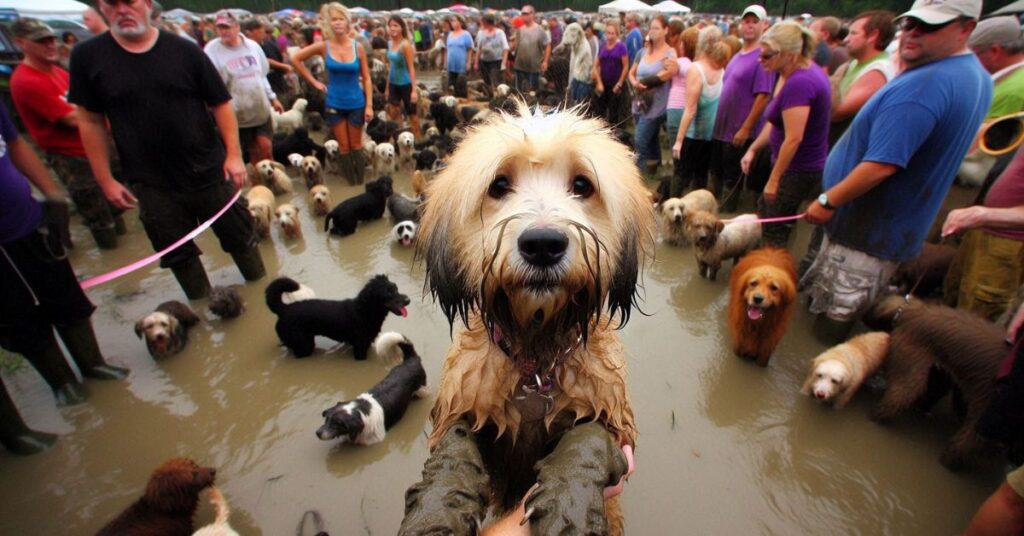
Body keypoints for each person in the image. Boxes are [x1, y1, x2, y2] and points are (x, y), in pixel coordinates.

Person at [801, 0, 992, 341]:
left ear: (966, 27)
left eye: (931, 27)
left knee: (836, 313)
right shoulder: (975, 74)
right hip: (893, 227)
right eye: (911, 24)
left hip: (866, 230)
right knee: (855, 303)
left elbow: (881, 166)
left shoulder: (924, 86)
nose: (913, 33)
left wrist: (829, 200)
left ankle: (815, 365)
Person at [69, 0, 266, 301]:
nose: (122, 9)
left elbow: (221, 103)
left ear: (147, 4)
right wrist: (105, 179)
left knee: (241, 236)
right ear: (101, 8)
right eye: (112, 3)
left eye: (130, 1)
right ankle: (201, 307)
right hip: (150, 181)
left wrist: (234, 155)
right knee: (176, 253)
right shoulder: (87, 56)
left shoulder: (184, 50)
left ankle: (261, 292)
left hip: (210, 170)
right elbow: (90, 120)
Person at [0, 103, 129, 420]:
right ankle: (62, 383)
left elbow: (16, 143)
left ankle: (93, 363)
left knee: (65, 294)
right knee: (15, 313)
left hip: (27, 219)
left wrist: (51, 193)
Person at [10, 18, 124, 251]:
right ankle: (117, 267)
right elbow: (74, 119)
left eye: (52, 39)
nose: (50, 45)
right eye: (41, 41)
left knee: (118, 206)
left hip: (98, 150)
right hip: (73, 159)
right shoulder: (25, 81)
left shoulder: (59, 72)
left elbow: (88, 104)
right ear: (21, 43)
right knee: (99, 219)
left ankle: (128, 256)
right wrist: (100, 111)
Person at [740, 21, 831, 247]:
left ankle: (770, 271)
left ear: (789, 55)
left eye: (767, 56)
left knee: (773, 227)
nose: (760, 61)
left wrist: (774, 180)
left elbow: (794, 138)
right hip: (797, 166)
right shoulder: (797, 74)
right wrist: (753, 149)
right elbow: (776, 123)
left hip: (797, 169)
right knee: (770, 215)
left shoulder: (800, 83)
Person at [292, 3, 373, 185]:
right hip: (334, 103)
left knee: (357, 146)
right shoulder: (324, 46)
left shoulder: (357, 47)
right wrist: (314, 82)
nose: (337, 23)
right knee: (343, 147)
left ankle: (359, 184)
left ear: (347, 22)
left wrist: (369, 105)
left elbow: (367, 78)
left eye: (340, 19)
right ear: (329, 23)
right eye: (334, 19)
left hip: (356, 103)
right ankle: (350, 184)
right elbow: (295, 59)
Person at [941, 144, 1024, 321]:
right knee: (952, 299)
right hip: (982, 230)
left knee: (973, 317)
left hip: (1008, 245)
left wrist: (987, 215)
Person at [710, 4, 773, 211]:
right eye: (747, 21)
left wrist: (746, 128)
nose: (750, 26)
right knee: (718, 173)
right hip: (723, 130)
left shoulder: (762, 57)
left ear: (765, 25)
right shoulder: (738, 55)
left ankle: (727, 215)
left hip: (739, 132)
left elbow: (763, 95)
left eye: (755, 22)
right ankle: (716, 213)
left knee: (732, 179)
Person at [205, 11, 284, 166]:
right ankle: (258, 185)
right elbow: (208, 83)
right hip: (235, 112)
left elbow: (261, 75)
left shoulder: (252, 46)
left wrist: (273, 98)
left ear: (237, 27)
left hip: (259, 106)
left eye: (226, 27)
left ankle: (275, 182)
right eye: (219, 28)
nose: (223, 31)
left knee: (265, 146)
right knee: (251, 151)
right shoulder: (211, 50)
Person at [672, 27, 728, 197]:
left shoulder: (696, 69)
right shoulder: (722, 70)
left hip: (692, 134)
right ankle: (697, 210)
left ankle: (671, 209)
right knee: (700, 176)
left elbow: (690, 109)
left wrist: (679, 141)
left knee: (681, 175)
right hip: (711, 136)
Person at [829, 10, 896, 145]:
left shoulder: (878, 69)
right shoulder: (854, 63)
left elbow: (837, 112)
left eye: (853, 33)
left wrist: (828, 80)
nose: (846, 39)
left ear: (873, 36)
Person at [628, 15, 678, 175]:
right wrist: (635, 82)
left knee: (640, 140)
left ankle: (639, 176)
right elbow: (631, 72)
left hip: (657, 105)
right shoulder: (642, 52)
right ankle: (655, 165)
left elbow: (669, 73)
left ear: (665, 30)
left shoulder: (670, 52)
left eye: (657, 28)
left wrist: (648, 82)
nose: (653, 31)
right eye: (651, 28)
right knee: (651, 137)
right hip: (639, 101)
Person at [664, 23, 695, 188]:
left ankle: (676, 189)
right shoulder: (695, 66)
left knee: (677, 153)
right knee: (686, 154)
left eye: (682, 42)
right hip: (686, 110)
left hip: (677, 109)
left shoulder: (682, 62)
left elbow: (667, 69)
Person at [384, 15, 420, 136]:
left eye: (395, 25)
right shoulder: (389, 43)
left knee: (412, 114)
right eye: (390, 26)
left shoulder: (405, 45)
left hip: (406, 83)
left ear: (401, 28)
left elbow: (411, 68)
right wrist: (387, 87)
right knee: (394, 112)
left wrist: (414, 90)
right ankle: (400, 135)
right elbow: (391, 67)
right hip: (394, 83)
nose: (392, 28)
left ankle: (418, 137)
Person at [243, 19, 294, 103]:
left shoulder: (269, 44)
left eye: (266, 31)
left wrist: (284, 66)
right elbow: (262, 59)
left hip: (276, 83)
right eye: (262, 31)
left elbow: (278, 57)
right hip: (259, 88)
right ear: (249, 32)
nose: (264, 34)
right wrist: (283, 66)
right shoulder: (245, 47)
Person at [592, 19, 630, 130]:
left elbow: (626, 66)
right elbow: (595, 66)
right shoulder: (603, 47)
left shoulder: (621, 47)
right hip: (604, 84)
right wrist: (599, 82)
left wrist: (619, 83)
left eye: (612, 33)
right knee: (600, 112)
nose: (610, 36)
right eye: (608, 33)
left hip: (616, 85)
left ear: (616, 34)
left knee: (615, 114)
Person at [510, 5, 550, 94]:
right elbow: (516, 45)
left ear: (532, 14)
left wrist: (545, 61)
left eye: (526, 14)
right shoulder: (520, 30)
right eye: (522, 14)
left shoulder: (540, 30)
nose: (524, 16)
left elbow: (547, 45)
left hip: (534, 67)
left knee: (532, 93)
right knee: (519, 92)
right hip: (519, 66)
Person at [474, 14, 509, 89]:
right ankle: (489, 95)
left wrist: (503, 63)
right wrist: (476, 62)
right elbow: (479, 48)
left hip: (496, 61)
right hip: (484, 61)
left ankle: (497, 96)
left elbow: (505, 48)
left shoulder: (500, 33)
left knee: (496, 79)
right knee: (486, 80)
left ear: (487, 23)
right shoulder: (481, 33)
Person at [442, 15, 473, 98]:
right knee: (451, 86)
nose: (452, 23)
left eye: (454, 21)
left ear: (460, 22)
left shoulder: (466, 34)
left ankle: (463, 99)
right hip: (451, 64)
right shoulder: (450, 34)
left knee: (461, 85)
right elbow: (447, 50)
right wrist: (445, 64)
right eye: (451, 21)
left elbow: (470, 49)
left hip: (461, 64)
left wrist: (469, 62)